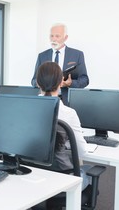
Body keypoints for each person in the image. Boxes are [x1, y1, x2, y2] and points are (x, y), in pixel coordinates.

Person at [36, 61, 91, 189]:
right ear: (61, 82)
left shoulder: (25, 108)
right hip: (62, 176)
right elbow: (82, 152)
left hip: (32, 174)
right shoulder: (69, 113)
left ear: (37, 83)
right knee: (87, 174)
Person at [31, 23, 89, 105]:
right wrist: (42, 82)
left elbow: (85, 80)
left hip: (68, 101)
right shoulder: (42, 56)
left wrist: (70, 83)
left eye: (57, 36)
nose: (53, 39)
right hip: (46, 102)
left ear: (65, 38)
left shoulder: (77, 55)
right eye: (51, 36)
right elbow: (33, 81)